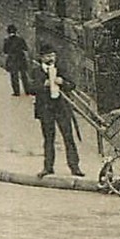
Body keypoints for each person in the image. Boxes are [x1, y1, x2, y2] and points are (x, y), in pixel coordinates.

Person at [33, 48, 84, 177]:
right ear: (42, 58)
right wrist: (43, 85)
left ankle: (75, 167)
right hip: (45, 109)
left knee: (68, 137)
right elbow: (29, 87)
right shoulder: (36, 71)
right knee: (49, 139)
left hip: (62, 108)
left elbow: (72, 85)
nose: (51, 59)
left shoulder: (61, 69)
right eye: (48, 56)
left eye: (53, 56)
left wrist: (63, 82)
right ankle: (48, 167)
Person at [2, 25, 33, 97]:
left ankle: (16, 92)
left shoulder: (7, 40)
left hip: (12, 59)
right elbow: (25, 48)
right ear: (16, 31)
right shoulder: (20, 39)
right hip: (21, 58)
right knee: (24, 75)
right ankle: (27, 91)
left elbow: (5, 51)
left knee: (14, 76)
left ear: (8, 32)